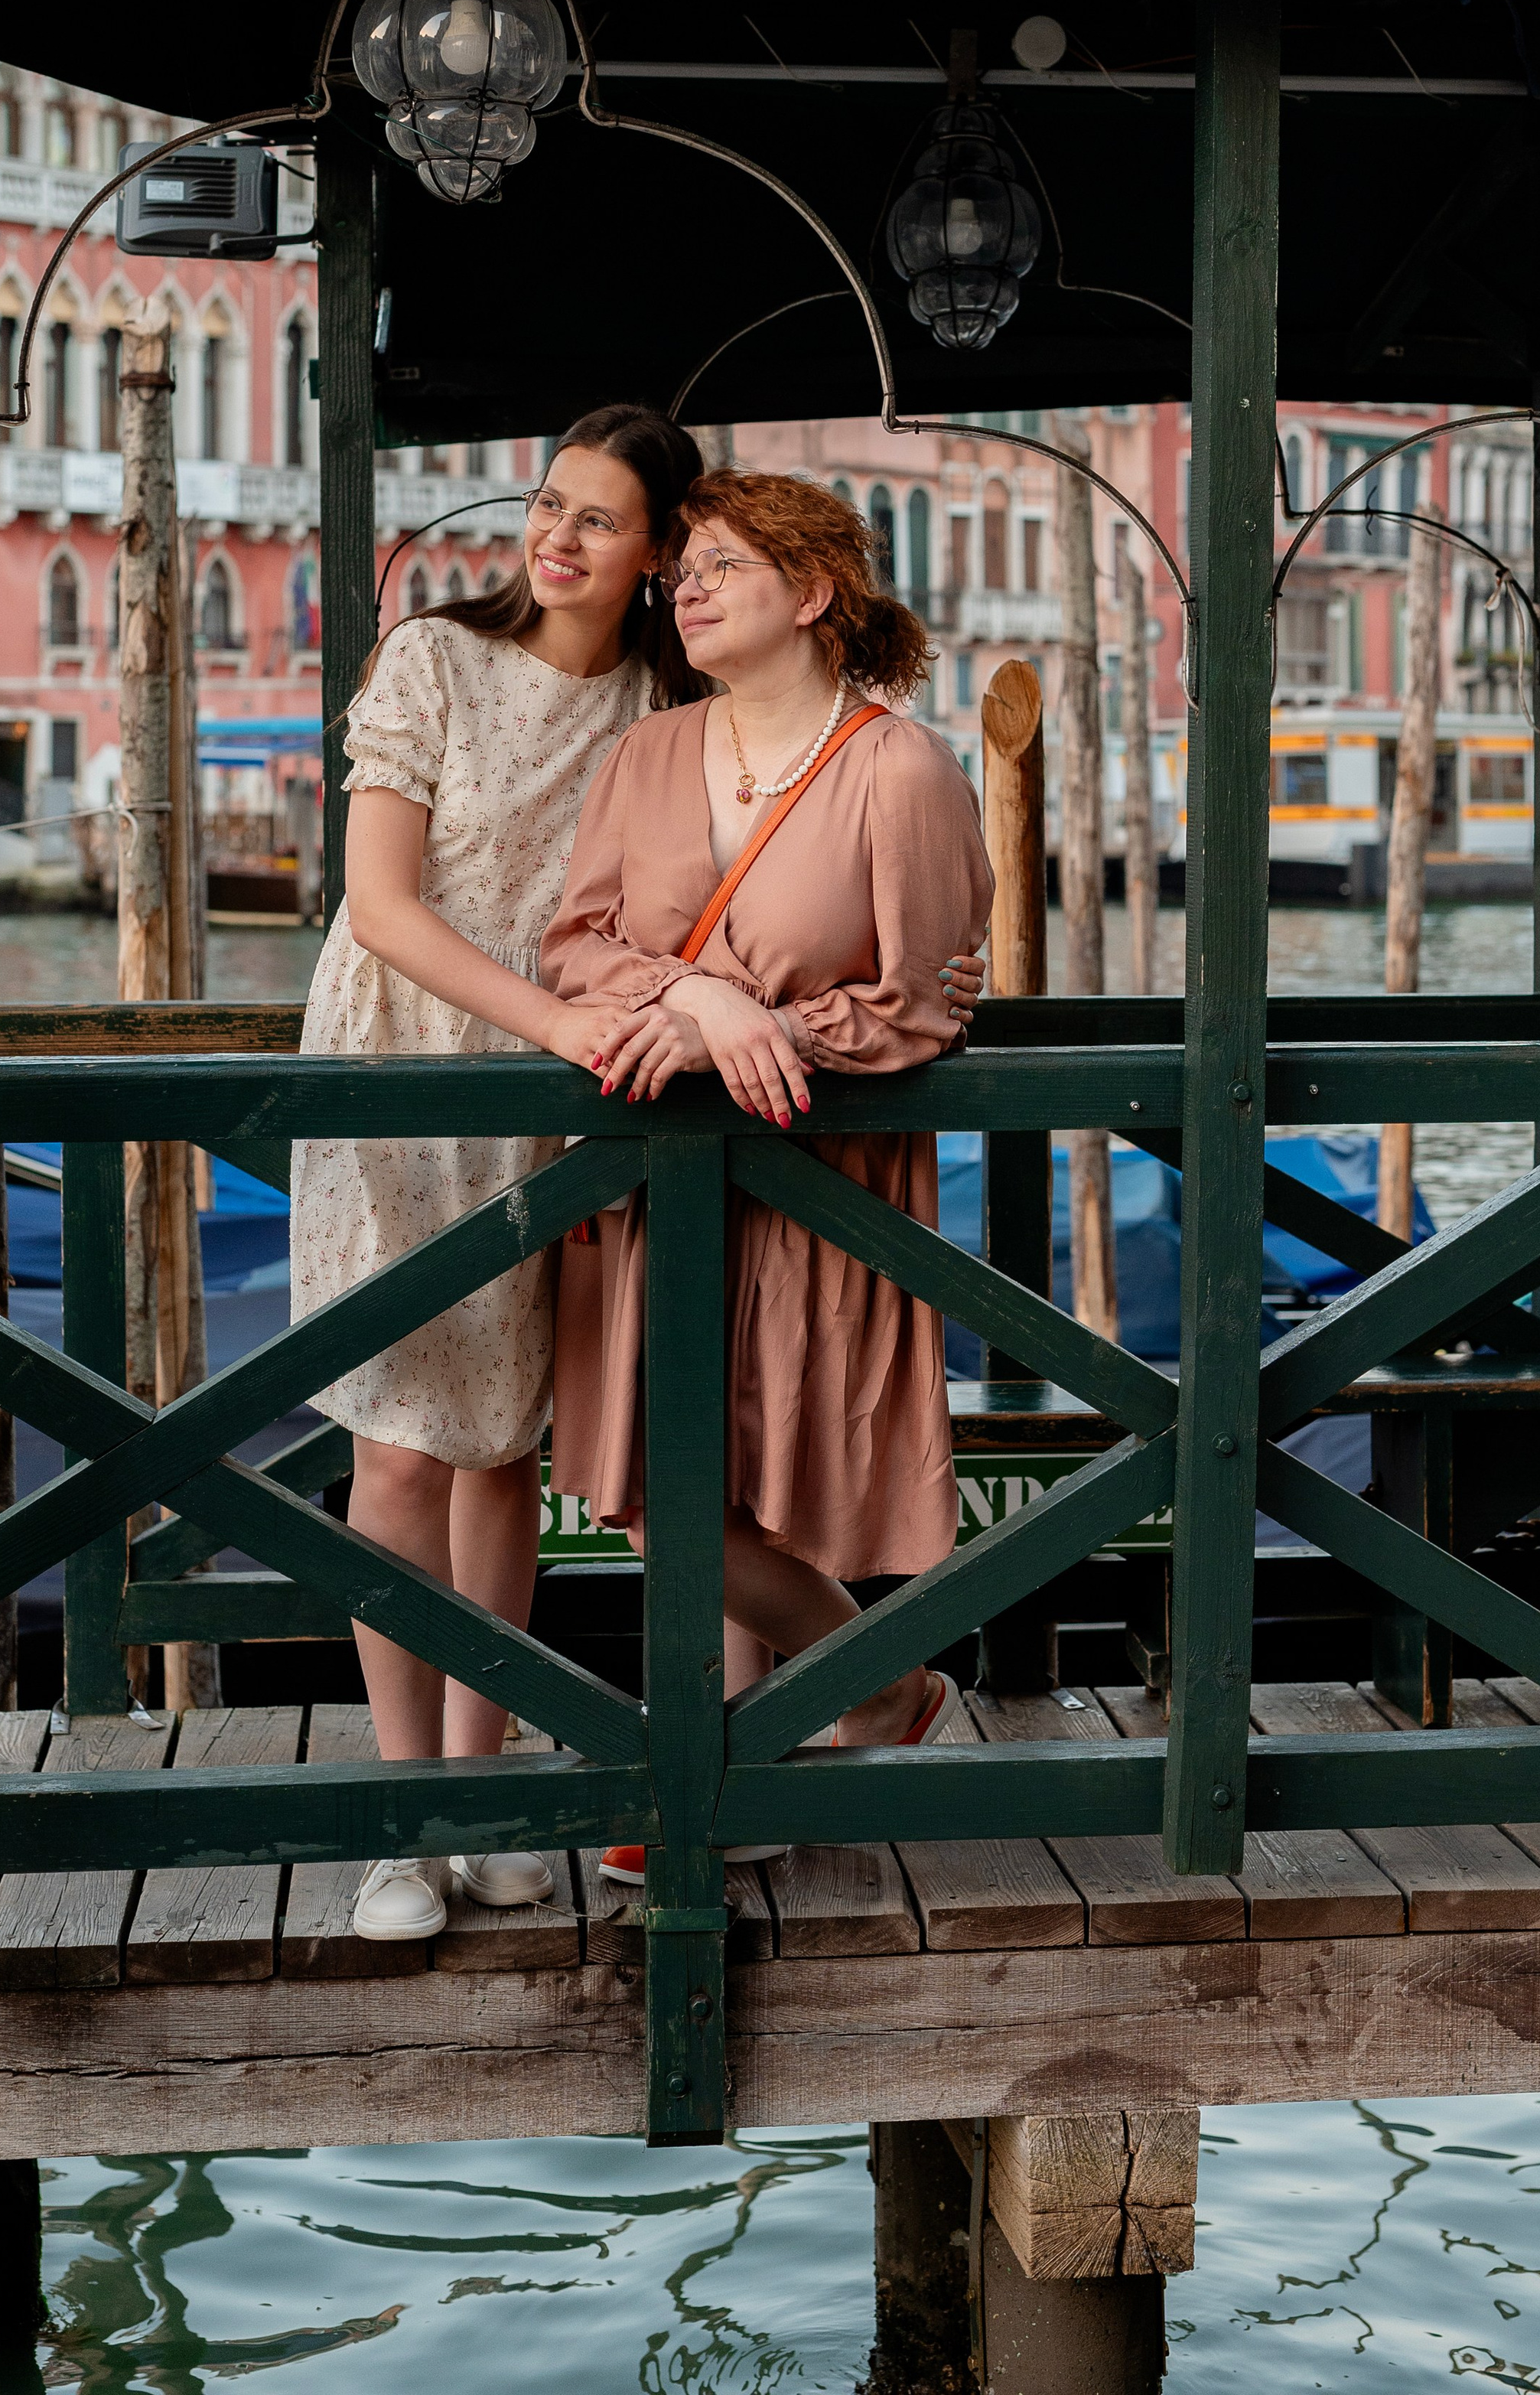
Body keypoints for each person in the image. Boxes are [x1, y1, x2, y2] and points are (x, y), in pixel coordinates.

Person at [291, 418, 984, 1943]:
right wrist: (643, 1009)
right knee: (411, 1449)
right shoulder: (452, 667)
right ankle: (414, 1818)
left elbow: (900, 972)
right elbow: (413, 908)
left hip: (607, 1113)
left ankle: (506, 1796)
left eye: (608, 524)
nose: (563, 540)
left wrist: (702, 1017)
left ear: (664, 554)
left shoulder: (684, 705)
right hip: (417, 1072)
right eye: (552, 506)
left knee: (506, 1451)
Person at [542, 469, 996, 1884]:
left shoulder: (901, 770)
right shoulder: (648, 753)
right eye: (681, 566)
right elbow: (575, 945)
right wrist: (705, 1003)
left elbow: (926, 999)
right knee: (654, 1490)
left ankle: (751, 1753)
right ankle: (887, 1691)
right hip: (662, 1175)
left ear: (811, 594)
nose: (685, 585)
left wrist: (764, 1029)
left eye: (721, 564)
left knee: (761, 1480)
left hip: (820, 1171)